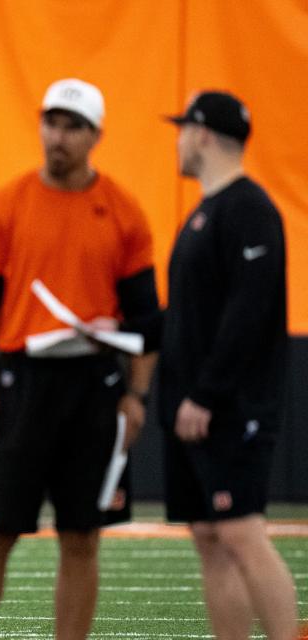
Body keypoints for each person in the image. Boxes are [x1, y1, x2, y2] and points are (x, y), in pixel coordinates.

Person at [0, 78, 161, 640]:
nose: (59, 136)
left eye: (73, 126)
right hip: (22, 382)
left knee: (81, 535)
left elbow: (147, 321)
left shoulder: (123, 212)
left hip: (95, 385)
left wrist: (135, 397)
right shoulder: (9, 204)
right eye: (52, 122)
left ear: (95, 136)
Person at [160, 91, 298, 640]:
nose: (176, 141)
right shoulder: (204, 213)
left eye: (180, 129)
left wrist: (208, 394)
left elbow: (250, 309)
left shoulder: (247, 208)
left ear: (201, 133)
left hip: (230, 406)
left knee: (240, 532)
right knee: (210, 537)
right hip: (195, 406)